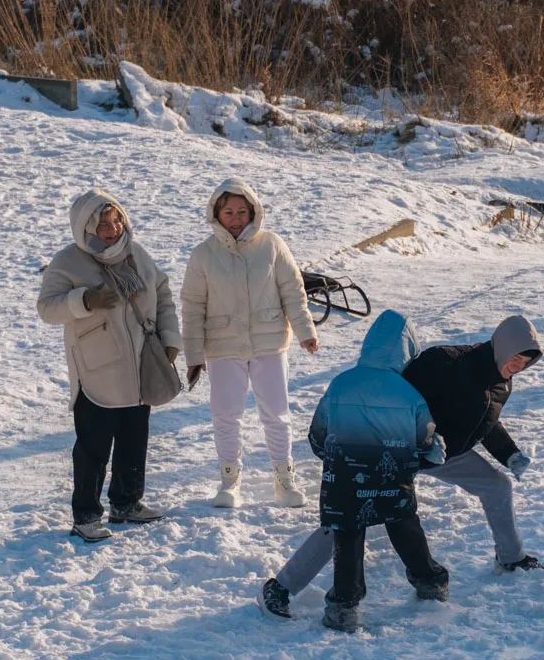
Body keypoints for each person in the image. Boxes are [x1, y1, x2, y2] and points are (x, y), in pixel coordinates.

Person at [259, 314, 543, 620]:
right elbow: (394, 396)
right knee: (347, 518)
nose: (518, 367)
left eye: (525, 363)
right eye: (515, 359)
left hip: (443, 454)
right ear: (502, 347)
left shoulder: (502, 384)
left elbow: (484, 421)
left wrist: (509, 453)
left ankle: (511, 558)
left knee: (497, 485)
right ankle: (282, 586)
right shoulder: (447, 362)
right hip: (396, 449)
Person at [37, 190, 182, 543]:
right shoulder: (68, 262)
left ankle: (126, 503)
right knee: (93, 448)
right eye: (103, 224)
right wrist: (84, 300)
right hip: (97, 371)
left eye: (116, 220)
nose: (113, 229)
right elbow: (47, 308)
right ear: (85, 226)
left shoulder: (135, 253)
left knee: (135, 438)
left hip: (140, 365)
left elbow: (162, 292)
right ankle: (86, 516)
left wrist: (170, 338)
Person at [307, 309, 450, 632]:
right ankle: (430, 582)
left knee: (347, 537)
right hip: (393, 478)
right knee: (404, 527)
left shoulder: (341, 383)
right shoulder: (409, 393)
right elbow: (424, 438)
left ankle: (344, 607)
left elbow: (318, 433)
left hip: (342, 480)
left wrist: (333, 460)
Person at [180, 178, 318, 508]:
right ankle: (230, 481)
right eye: (229, 212)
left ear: (253, 211)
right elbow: (193, 305)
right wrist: (194, 355)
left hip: (269, 342)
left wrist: (305, 331)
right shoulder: (203, 254)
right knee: (226, 415)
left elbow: (292, 290)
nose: (236, 218)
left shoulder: (272, 245)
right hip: (223, 346)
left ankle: (285, 479)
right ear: (216, 213)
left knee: (277, 414)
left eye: (242, 211)